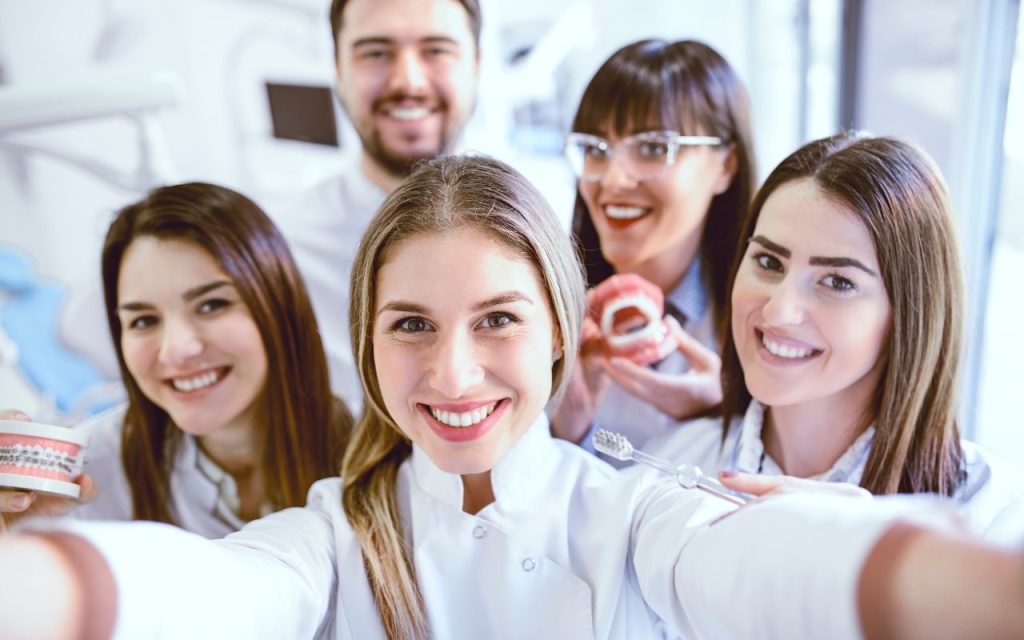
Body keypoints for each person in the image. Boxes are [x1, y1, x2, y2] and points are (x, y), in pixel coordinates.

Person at [4, 156, 1024, 640]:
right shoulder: (328, 530)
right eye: (410, 324)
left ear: (554, 332)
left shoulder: (638, 505)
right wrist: (43, 590)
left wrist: (949, 583)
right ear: (363, 337)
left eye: (496, 319)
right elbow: (212, 591)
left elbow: (762, 564)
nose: (451, 376)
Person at [653, 132, 1024, 543]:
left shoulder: (989, 520)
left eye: (837, 281)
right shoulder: (665, 472)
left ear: (909, 313)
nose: (778, 311)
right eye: (768, 261)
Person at [0, 182, 353, 537]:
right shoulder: (87, 477)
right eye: (144, 320)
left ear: (279, 304)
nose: (175, 350)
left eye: (212, 305)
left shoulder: (380, 455)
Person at [272, 0, 483, 409]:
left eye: (436, 50)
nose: (408, 81)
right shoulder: (284, 252)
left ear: (475, 63)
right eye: (376, 53)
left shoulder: (548, 227)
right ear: (338, 69)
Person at [551, 39, 756, 456]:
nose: (613, 180)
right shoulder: (550, 316)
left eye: (652, 148)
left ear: (726, 165)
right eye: (595, 150)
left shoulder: (765, 322)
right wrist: (566, 428)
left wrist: (726, 413)